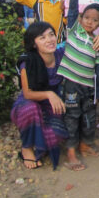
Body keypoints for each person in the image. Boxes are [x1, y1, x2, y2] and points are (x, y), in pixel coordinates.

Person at [57, 0, 99, 171]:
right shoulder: (73, 31)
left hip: (88, 86)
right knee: (71, 116)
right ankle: (70, 151)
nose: (90, 22)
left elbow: (98, 69)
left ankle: (85, 144)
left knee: (89, 116)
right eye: (87, 18)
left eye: (95, 20)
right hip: (71, 84)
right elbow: (71, 11)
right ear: (81, 18)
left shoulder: (98, 42)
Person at [11, 22, 68, 170]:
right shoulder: (28, 62)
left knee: (56, 134)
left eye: (51, 35)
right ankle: (27, 147)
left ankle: (40, 141)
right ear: (34, 44)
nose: (49, 40)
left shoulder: (60, 54)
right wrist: (49, 94)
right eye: (42, 38)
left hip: (51, 101)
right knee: (31, 109)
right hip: (30, 100)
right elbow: (28, 93)